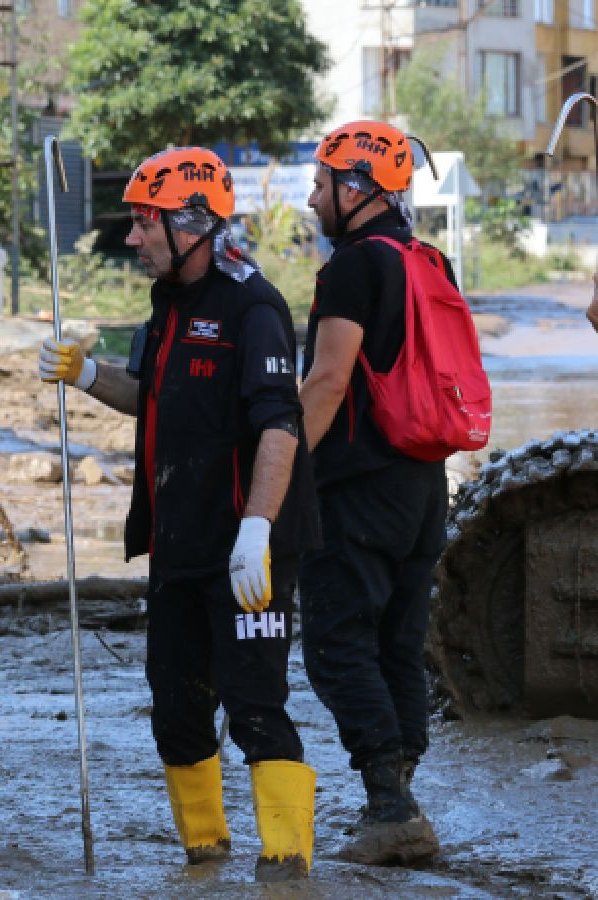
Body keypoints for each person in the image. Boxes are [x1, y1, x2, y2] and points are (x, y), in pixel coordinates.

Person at [39, 147, 320, 882]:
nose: (132, 239)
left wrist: (257, 528)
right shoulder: (166, 305)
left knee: (256, 708)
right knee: (176, 710)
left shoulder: (253, 307)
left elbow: (280, 425)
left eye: (142, 222)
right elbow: (151, 396)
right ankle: (204, 859)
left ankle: (288, 870)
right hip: (179, 544)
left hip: (249, 547)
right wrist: (88, 375)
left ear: (193, 222)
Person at [299, 119, 449, 865]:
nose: (312, 196)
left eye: (322, 182)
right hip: (425, 483)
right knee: (398, 642)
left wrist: (278, 469)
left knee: (334, 644)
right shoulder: (430, 260)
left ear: (357, 189)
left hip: (359, 486)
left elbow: (327, 380)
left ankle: (390, 805)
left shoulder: (354, 267)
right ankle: (397, 798)